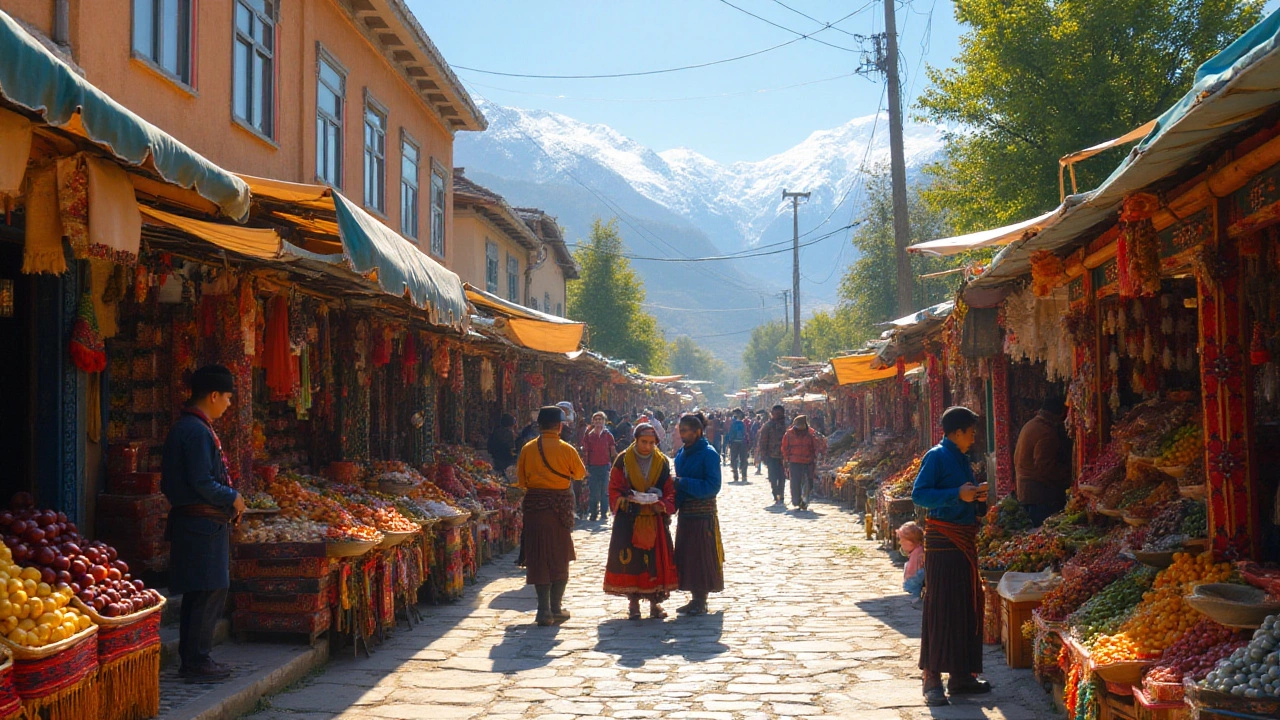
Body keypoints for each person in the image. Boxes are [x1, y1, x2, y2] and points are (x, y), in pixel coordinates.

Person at [161, 365, 247, 683]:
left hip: (198, 523)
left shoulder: (190, 428)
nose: (228, 404)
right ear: (213, 396)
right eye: (226, 398)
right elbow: (201, 481)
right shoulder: (195, 431)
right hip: (201, 524)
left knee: (202, 590)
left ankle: (195, 657)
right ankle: (196, 660)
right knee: (209, 588)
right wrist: (232, 497)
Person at [911, 406, 991, 706]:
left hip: (964, 538)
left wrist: (976, 496)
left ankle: (961, 676)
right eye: (970, 432)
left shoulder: (962, 459)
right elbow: (920, 494)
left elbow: (963, 493)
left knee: (964, 604)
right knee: (940, 606)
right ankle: (932, 678)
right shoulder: (936, 456)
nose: (973, 437)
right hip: (944, 540)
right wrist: (957, 494)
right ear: (956, 432)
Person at [516, 406, 587, 626]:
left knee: (538, 557)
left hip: (535, 509)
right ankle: (556, 607)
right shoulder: (567, 449)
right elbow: (580, 473)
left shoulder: (528, 448)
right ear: (559, 426)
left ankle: (543, 610)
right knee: (559, 556)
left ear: (539, 425)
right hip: (560, 509)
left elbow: (521, 481)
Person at [604, 423, 680, 620]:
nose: (647, 446)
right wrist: (624, 499)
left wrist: (662, 503)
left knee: (655, 562)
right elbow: (614, 487)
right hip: (629, 519)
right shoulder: (623, 460)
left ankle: (655, 604)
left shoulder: (662, 461)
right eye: (643, 442)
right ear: (635, 440)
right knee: (633, 562)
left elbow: (669, 489)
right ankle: (634, 604)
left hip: (654, 519)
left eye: (651, 443)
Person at [673, 412, 724, 615]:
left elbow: (713, 486)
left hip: (702, 514)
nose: (682, 435)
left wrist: (683, 483)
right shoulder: (681, 454)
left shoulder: (709, 454)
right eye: (680, 431)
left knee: (701, 556)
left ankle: (701, 599)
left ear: (697, 432)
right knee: (688, 556)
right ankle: (694, 598)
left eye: (685, 431)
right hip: (686, 513)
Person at [1014, 397, 1072, 526]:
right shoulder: (1046, 432)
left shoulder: (1030, 425)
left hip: (1026, 493)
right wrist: (1069, 476)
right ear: (1060, 415)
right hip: (1040, 495)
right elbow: (1045, 467)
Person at [781, 415, 827, 511]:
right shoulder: (789, 434)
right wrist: (786, 458)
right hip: (794, 461)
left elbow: (816, 445)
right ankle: (796, 500)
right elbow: (784, 448)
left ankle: (805, 500)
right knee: (795, 482)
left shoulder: (811, 433)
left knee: (809, 481)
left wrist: (817, 455)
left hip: (808, 461)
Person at [581, 412, 617, 522]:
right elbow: (586, 452)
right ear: (593, 421)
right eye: (596, 419)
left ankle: (604, 513)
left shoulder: (608, 435)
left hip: (605, 466)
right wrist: (585, 467)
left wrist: (615, 465)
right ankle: (593, 513)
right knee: (594, 492)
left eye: (600, 419)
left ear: (604, 421)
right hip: (593, 467)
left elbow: (613, 451)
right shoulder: (589, 435)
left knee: (605, 492)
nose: (598, 421)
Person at [757, 405, 788, 504]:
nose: (777, 415)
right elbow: (763, 441)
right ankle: (775, 493)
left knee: (782, 477)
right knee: (772, 477)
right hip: (771, 456)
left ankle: (781, 494)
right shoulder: (768, 426)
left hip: (784, 456)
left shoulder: (787, 425)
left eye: (779, 413)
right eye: (775, 413)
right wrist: (763, 455)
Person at [487, 414, 519, 480]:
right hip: (507, 459)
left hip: (496, 458)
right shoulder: (509, 433)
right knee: (507, 477)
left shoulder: (496, 431)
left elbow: (490, 445)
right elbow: (512, 448)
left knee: (499, 475)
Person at [898, 521, 925, 598]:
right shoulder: (917, 551)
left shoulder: (917, 553)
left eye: (902, 540)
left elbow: (912, 573)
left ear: (911, 542)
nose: (900, 542)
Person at [724, 409, 749, 483]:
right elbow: (746, 433)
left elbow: (730, 434)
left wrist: (729, 443)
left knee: (734, 459)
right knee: (743, 459)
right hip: (742, 443)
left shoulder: (733, 424)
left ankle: (735, 475)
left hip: (734, 443)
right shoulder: (743, 424)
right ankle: (744, 476)